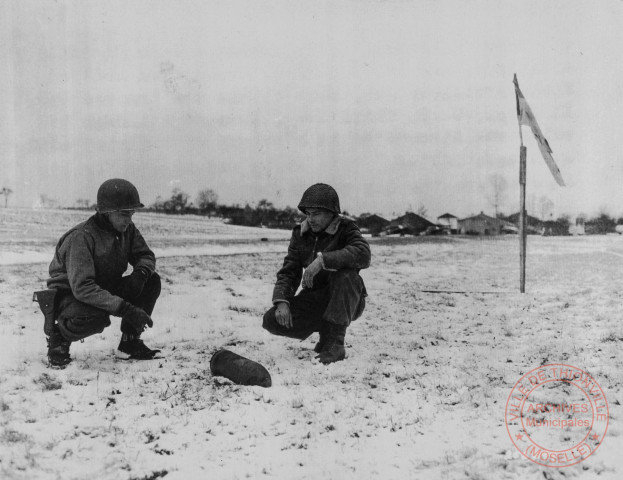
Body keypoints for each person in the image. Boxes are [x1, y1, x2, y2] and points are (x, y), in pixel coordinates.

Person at [40, 178, 161, 368]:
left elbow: (145, 255)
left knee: (152, 281)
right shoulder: (81, 237)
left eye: (132, 214)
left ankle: (129, 343)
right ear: (106, 212)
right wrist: (126, 309)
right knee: (97, 317)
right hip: (71, 295)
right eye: (124, 214)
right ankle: (59, 338)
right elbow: (83, 288)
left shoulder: (127, 229)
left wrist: (141, 274)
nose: (129, 220)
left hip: (102, 287)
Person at [262, 183, 371, 364]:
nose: (311, 219)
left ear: (332, 213)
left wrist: (322, 261)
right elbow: (289, 271)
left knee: (346, 277)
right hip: (316, 299)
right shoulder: (300, 234)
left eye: (317, 214)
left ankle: (335, 343)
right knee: (271, 320)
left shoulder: (346, 229)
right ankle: (326, 334)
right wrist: (282, 301)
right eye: (308, 214)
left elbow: (363, 254)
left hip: (348, 298)